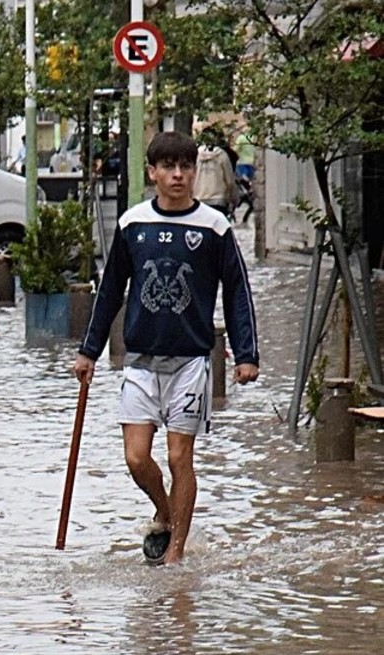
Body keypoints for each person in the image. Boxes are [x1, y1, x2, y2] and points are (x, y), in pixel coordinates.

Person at [74, 131, 260, 566]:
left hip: (192, 361)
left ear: (195, 171)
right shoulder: (132, 224)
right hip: (139, 360)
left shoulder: (214, 227)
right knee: (137, 458)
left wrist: (246, 354)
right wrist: (89, 350)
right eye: (169, 168)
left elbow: (237, 291)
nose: (179, 175)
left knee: (180, 456)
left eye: (186, 167)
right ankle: (163, 508)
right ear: (153, 173)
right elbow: (109, 292)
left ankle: (174, 556)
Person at [193, 131, 238, 217]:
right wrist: (233, 199)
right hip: (218, 201)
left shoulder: (196, 155)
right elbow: (229, 180)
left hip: (199, 200)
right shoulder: (222, 155)